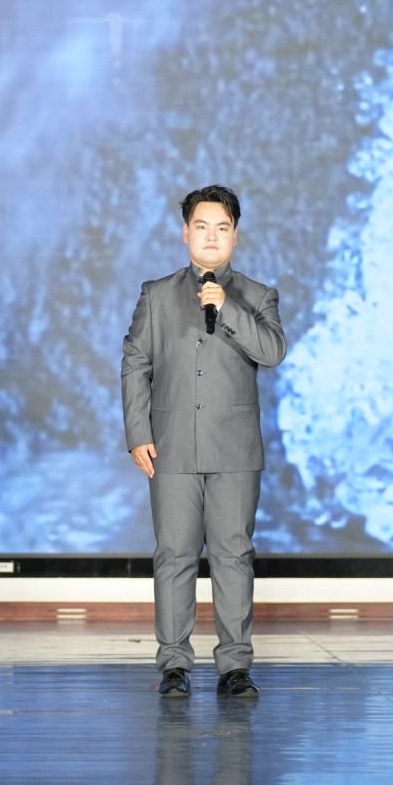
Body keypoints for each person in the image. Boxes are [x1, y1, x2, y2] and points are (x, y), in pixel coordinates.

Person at [122, 185, 286, 698]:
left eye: (221, 228)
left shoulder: (258, 295)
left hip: (234, 450)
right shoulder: (156, 295)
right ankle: (174, 664)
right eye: (201, 226)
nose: (211, 237)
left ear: (235, 236)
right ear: (184, 233)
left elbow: (272, 352)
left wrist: (227, 307)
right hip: (170, 447)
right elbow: (136, 362)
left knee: (233, 554)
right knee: (174, 555)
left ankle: (235, 666)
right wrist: (138, 432)